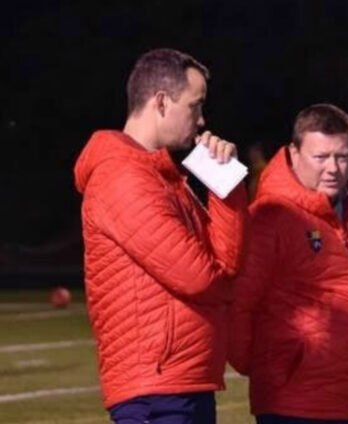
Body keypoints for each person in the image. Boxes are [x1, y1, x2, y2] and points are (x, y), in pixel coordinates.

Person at [74, 48, 247, 424]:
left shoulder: (163, 177)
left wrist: (226, 183)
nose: (202, 121)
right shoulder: (122, 177)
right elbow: (203, 280)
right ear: (162, 102)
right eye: (195, 105)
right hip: (155, 389)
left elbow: (229, 266)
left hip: (184, 380)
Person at [228, 104, 348, 424]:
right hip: (292, 403)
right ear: (294, 153)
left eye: (342, 157)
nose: (333, 168)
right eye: (321, 157)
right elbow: (239, 302)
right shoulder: (271, 216)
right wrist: (268, 365)